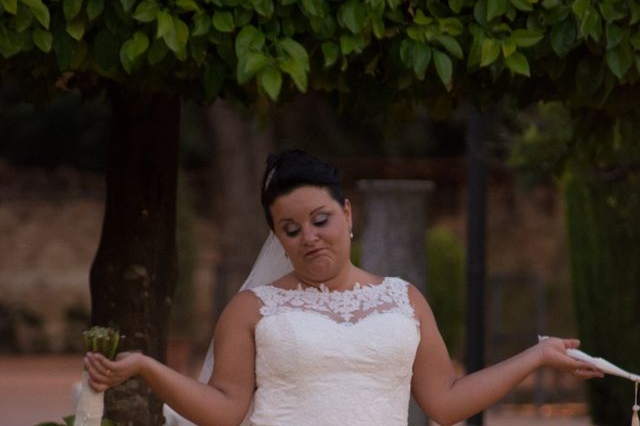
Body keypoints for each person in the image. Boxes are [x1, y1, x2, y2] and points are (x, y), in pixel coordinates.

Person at [83, 149, 603, 426]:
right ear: (278, 240)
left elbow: (444, 405)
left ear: (347, 215)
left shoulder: (403, 299)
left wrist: (535, 358)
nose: (309, 238)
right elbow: (225, 411)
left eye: (320, 219)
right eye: (291, 230)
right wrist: (148, 367)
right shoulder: (251, 310)